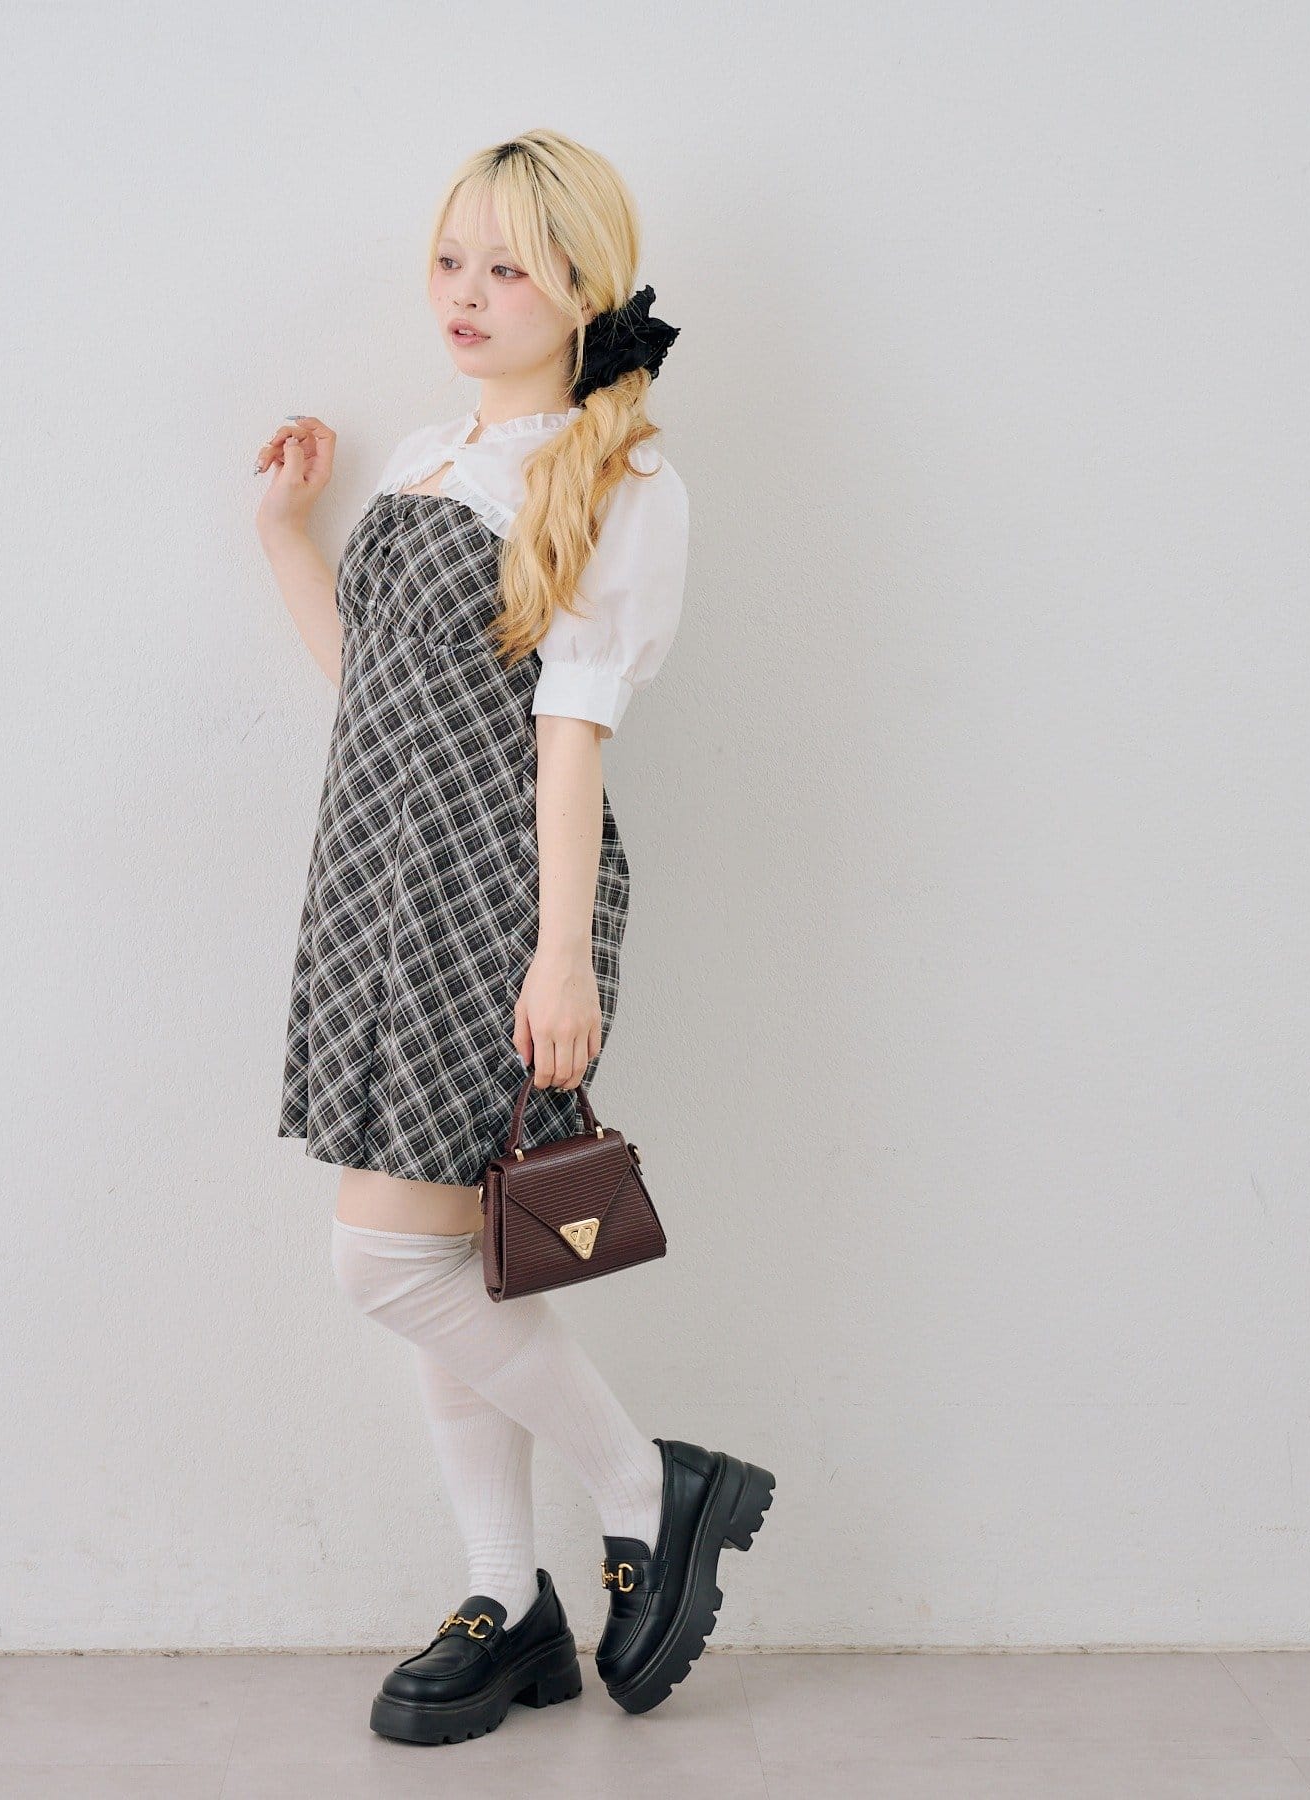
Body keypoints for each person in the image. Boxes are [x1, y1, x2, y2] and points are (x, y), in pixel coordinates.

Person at [254, 129, 773, 1746]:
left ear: (582, 291)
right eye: (450, 260)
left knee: (383, 1260)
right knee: (436, 1254)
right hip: (374, 881)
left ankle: (648, 1489)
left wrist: (561, 955)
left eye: (509, 268)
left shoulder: (618, 479)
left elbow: (570, 737)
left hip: (491, 890)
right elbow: (375, 695)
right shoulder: (428, 454)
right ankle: (508, 1600)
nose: (466, 294)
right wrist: (285, 537)